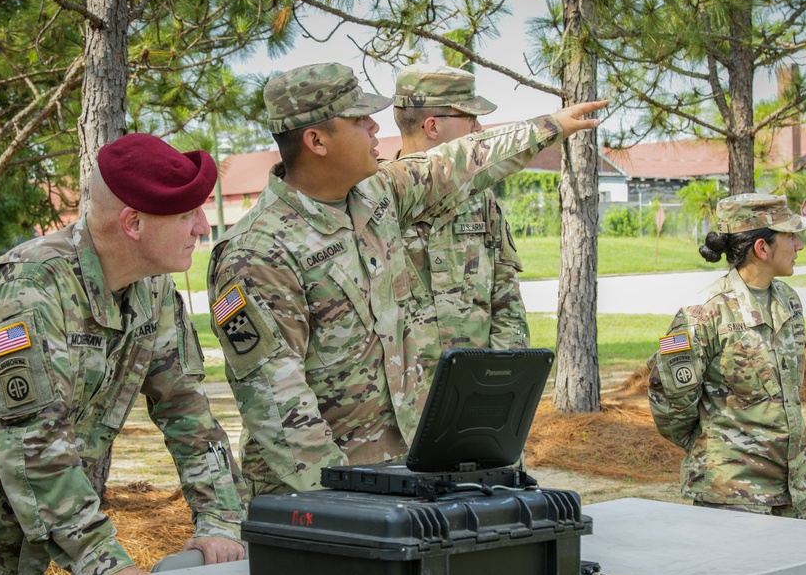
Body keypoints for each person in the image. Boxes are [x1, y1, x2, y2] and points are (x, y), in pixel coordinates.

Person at [207, 62, 606, 498]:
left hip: (399, 471)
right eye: (359, 120)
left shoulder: (375, 195)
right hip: (318, 494)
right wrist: (340, 500)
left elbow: (455, 162)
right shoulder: (256, 252)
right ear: (316, 140)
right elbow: (277, 403)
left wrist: (548, 127)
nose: (376, 127)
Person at [0, 133, 246, 575]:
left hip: (9, 550)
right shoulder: (30, 289)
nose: (201, 227)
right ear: (133, 224)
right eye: (187, 215)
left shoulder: (154, 290)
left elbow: (188, 411)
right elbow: (34, 446)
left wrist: (219, 520)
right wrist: (103, 563)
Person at [647, 193, 806, 575]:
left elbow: (789, 390)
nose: (799, 244)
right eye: (790, 235)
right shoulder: (703, 313)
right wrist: (711, 449)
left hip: (790, 486)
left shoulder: (789, 302)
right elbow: (668, 397)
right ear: (762, 247)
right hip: (734, 493)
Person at [390, 64, 529, 378]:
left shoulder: (481, 200)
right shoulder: (377, 201)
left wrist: (503, 379)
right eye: (470, 118)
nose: (479, 128)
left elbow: (507, 301)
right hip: (399, 406)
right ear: (433, 126)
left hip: (473, 390)